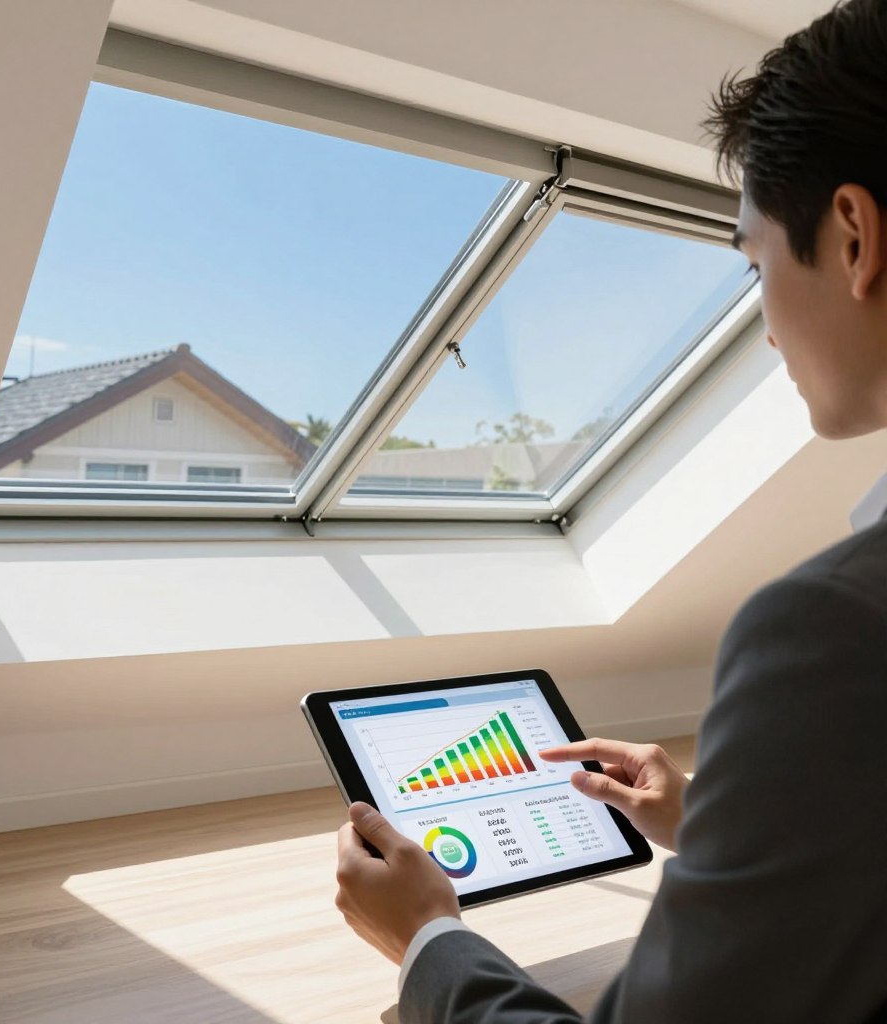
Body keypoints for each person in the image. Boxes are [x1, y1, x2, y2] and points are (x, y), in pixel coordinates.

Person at [334, 1, 887, 1020]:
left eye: (755, 265)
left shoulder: (837, 632)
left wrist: (427, 940)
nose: (764, 331)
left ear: (853, 238)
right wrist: (731, 823)